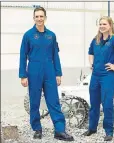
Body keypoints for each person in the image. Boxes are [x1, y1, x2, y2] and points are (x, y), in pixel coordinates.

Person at [19, 6, 74, 141]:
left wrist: (58, 73)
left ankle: (60, 130)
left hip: (49, 70)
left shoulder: (51, 35)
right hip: (34, 71)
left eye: (41, 16)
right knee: (34, 101)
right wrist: (23, 75)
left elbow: (56, 55)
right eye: (36, 16)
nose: (39, 19)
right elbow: (22, 56)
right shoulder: (28, 35)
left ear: (45, 18)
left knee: (54, 101)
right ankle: (37, 129)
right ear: (34, 18)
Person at [82, 16, 114, 141]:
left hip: (108, 76)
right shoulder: (96, 40)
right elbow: (90, 52)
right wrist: (91, 64)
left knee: (107, 104)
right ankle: (92, 128)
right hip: (95, 76)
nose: (102, 26)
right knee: (94, 103)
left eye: (104, 24)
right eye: (100, 24)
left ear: (110, 25)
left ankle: (109, 131)